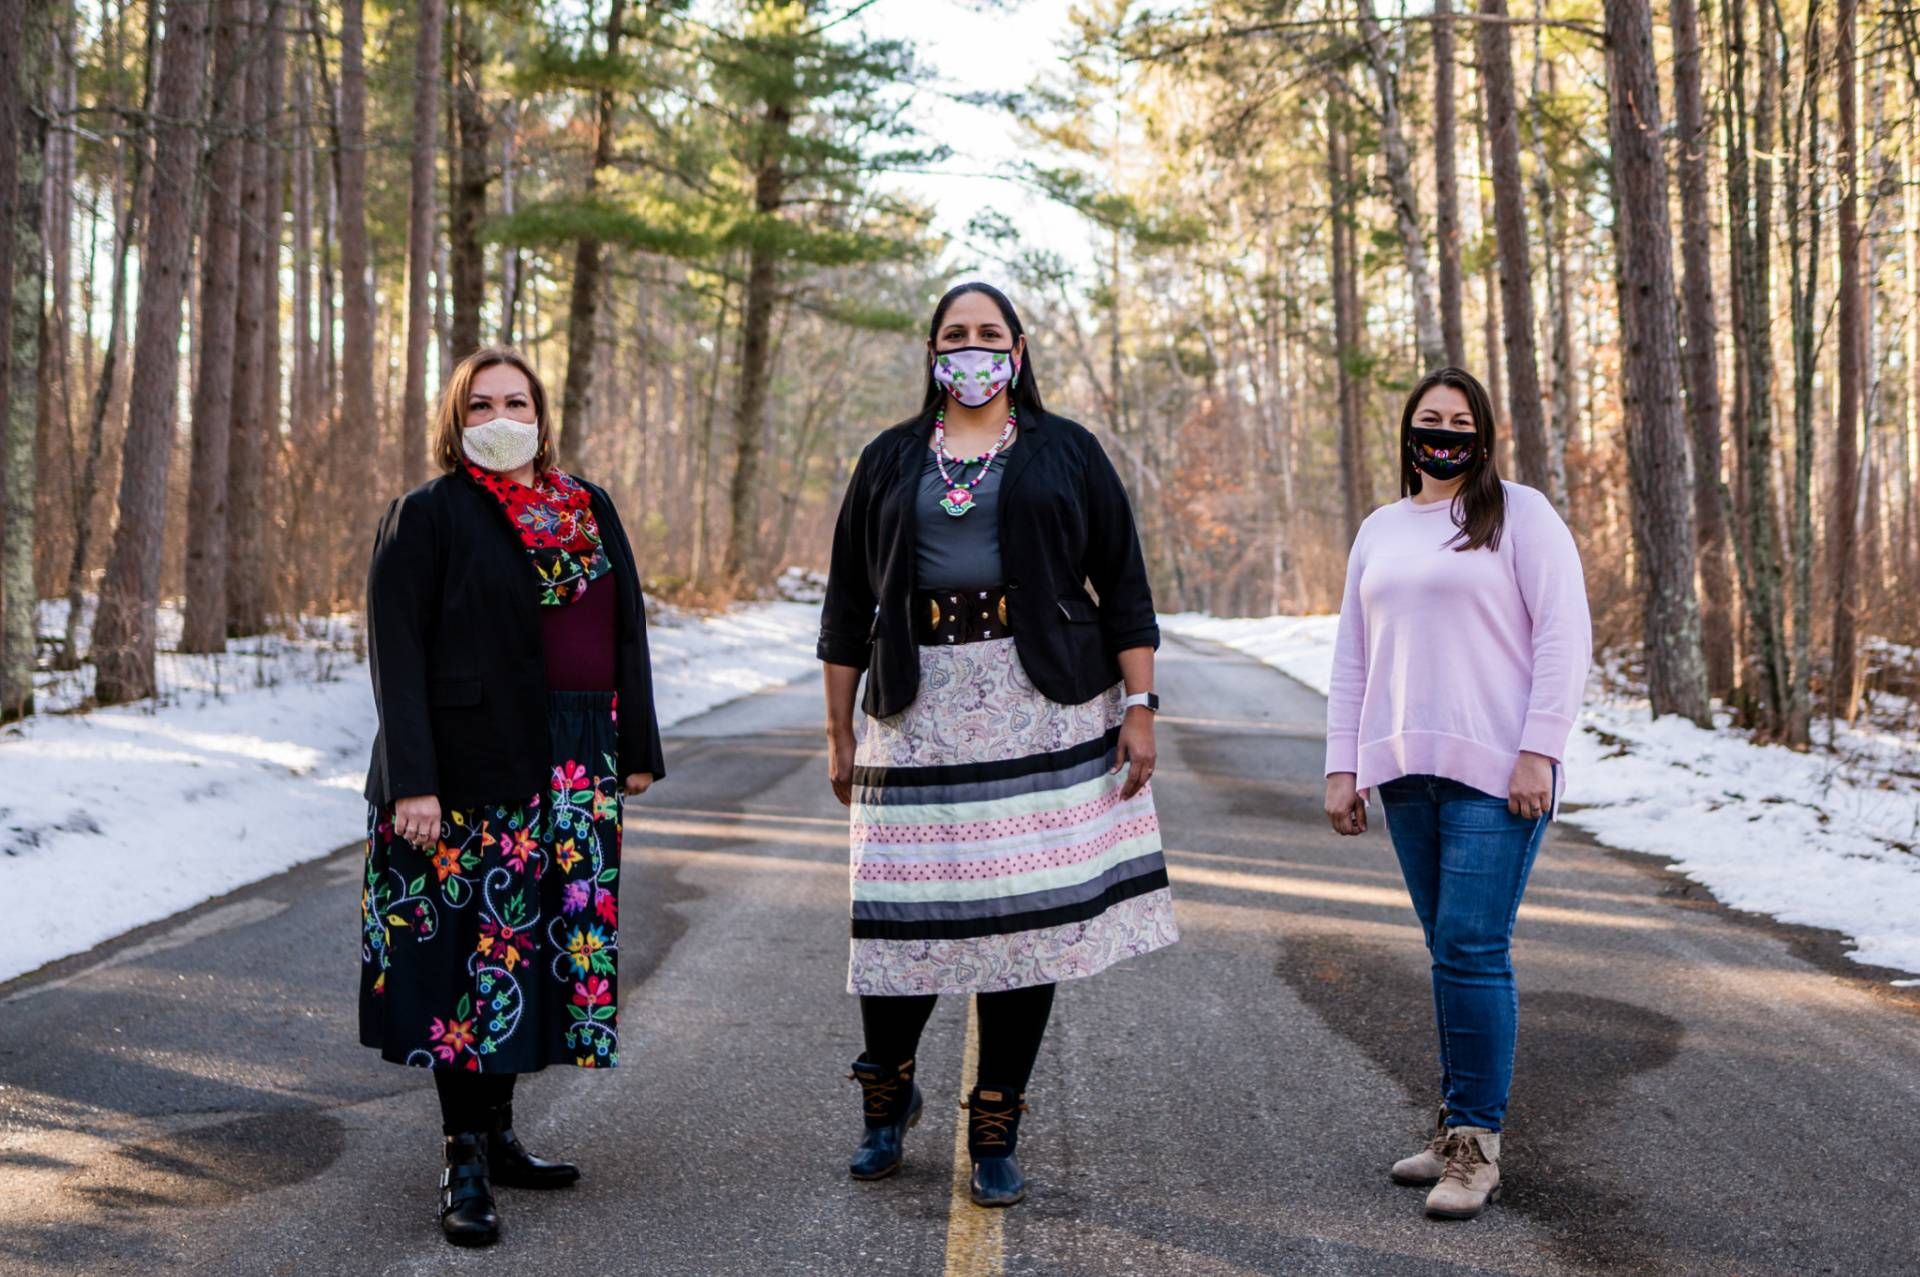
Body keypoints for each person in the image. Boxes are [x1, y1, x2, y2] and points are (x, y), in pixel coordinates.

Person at [817, 281, 1179, 1208]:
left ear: (1017, 349)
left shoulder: (1067, 452)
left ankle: (995, 1122)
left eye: (988, 334)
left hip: (1044, 702)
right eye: (953, 335)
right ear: (931, 351)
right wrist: (839, 729)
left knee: (1024, 924)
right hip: (914, 707)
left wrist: (1140, 704)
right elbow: (845, 607)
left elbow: (1125, 586)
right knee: (902, 914)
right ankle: (887, 1097)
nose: (970, 349)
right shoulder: (891, 458)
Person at [359, 346, 666, 1247]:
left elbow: (626, 627)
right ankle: (460, 1154)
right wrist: (412, 778)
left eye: (517, 402)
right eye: (481, 403)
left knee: (536, 952)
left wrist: (634, 746)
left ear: (542, 414)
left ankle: (498, 1132)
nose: (501, 417)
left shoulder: (587, 505)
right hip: (467, 768)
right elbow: (396, 651)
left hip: (575, 757)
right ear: (456, 420)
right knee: (471, 954)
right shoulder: (427, 515)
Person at [1323, 366, 1591, 1221]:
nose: (1443, 432)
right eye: (1429, 419)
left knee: (1474, 946)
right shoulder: (1380, 529)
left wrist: (1539, 751)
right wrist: (1344, 764)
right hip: (1405, 770)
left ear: (1483, 434)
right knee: (1447, 949)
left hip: (1497, 774)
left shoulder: (1521, 514)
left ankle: (1478, 1145)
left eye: (1460, 420)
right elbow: (1352, 658)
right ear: (1408, 433)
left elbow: (1564, 636)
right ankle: (1453, 1130)